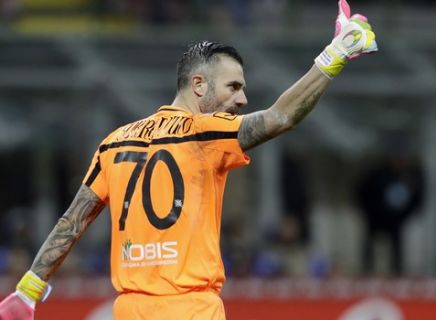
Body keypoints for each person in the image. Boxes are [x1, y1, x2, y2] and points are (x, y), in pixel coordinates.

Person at [0, 1, 377, 319]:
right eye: (233, 86)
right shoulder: (204, 133)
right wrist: (336, 54)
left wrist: (29, 289)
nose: (242, 99)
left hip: (130, 310)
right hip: (191, 307)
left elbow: (73, 221)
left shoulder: (114, 143)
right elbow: (282, 117)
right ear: (199, 85)